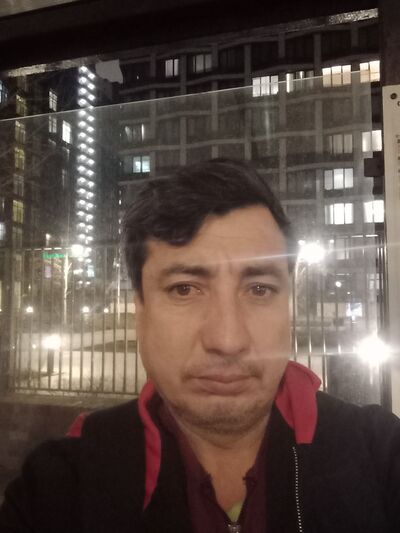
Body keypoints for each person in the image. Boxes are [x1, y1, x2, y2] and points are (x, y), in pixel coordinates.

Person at [0, 159, 399, 533]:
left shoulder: (381, 455)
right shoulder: (59, 486)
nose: (227, 340)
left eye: (259, 289)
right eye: (184, 289)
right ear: (140, 310)